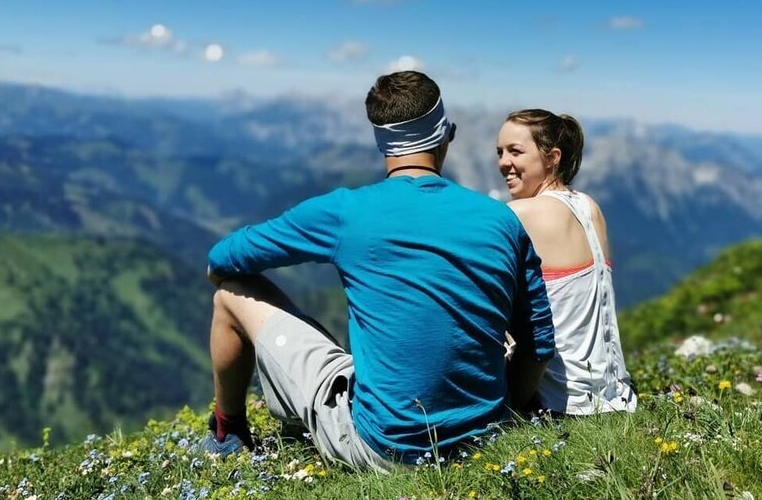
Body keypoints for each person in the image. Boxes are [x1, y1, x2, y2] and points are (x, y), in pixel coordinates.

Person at [201, 71, 556, 469]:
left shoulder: (345, 212)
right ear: (445, 135)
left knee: (229, 292)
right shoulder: (501, 220)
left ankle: (227, 433)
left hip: (383, 448)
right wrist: (507, 407)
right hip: (488, 442)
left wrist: (223, 277)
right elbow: (538, 344)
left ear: (381, 143)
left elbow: (222, 258)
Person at [496, 109, 636, 415]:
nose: (503, 162)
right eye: (500, 152)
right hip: (617, 398)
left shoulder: (521, 213)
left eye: (515, 151)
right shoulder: (589, 206)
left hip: (561, 407)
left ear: (552, 157)